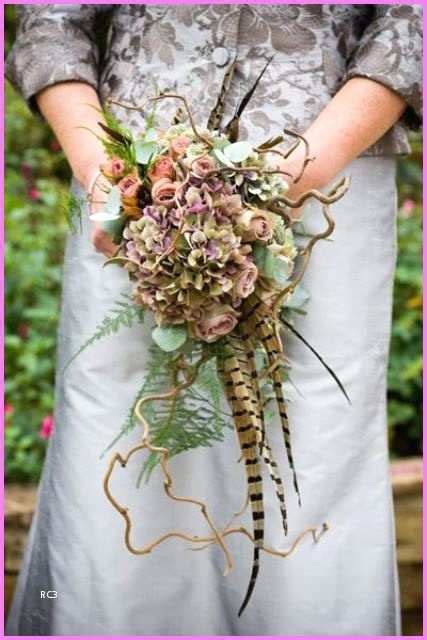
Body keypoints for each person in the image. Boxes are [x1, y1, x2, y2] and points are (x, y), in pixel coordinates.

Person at [6, 4, 421, 636]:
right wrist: (104, 176)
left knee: (311, 440)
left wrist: (297, 171)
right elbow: (48, 20)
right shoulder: (117, 187)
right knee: (124, 434)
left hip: (330, 179)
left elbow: (409, 25)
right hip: (130, 191)